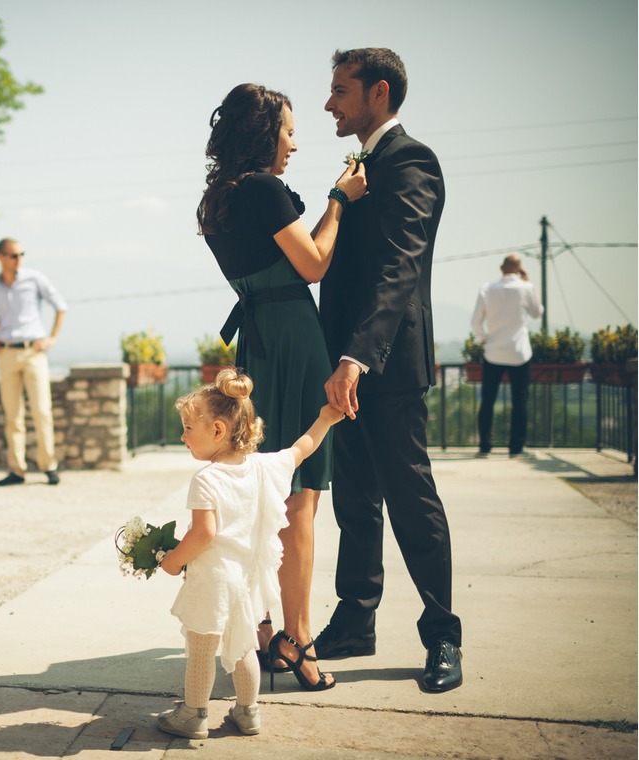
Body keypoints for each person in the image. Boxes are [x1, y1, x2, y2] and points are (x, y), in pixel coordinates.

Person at [199, 83, 366, 690]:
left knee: (263, 499)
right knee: (301, 500)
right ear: (265, 132)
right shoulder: (265, 190)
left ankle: (265, 632)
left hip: (258, 346)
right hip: (295, 341)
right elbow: (314, 263)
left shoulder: (218, 199)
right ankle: (299, 639)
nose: (294, 143)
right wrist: (339, 199)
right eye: (289, 131)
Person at [316, 47, 463, 693]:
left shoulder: (410, 161)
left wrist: (357, 356)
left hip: (387, 365)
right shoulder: (358, 167)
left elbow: (400, 267)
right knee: (354, 500)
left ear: (378, 92)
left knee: (410, 498)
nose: (329, 103)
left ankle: (443, 634)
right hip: (342, 365)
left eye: (340, 90)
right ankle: (355, 621)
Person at [155, 369, 344, 740]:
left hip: (213, 581)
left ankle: (193, 715)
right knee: (243, 645)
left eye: (188, 429)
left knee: (201, 647)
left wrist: (173, 561)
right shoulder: (265, 467)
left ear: (218, 430)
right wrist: (326, 418)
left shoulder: (206, 480)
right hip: (247, 581)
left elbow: (203, 533)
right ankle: (247, 712)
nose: (183, 436)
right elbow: (302, 448)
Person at [0, 238, 67, 486]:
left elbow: (60, 306)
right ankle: (17, 469)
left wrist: (52, 338)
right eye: (14, 255)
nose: (19, 260)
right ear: (1, 257)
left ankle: (49, 466)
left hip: (33, 351)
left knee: (42, 411)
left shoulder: (34, 279)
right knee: (12, 415)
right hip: (7, 353)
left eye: (21, 254)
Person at [470, 254, 544, 458]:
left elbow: (476, 323)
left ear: (501, 268)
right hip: (519, 352)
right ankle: (516, 447)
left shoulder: (487, 289)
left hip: (493, 352)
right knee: (520, 401)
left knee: (487, 400)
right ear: (520, 269)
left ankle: (485, 445)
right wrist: (526, 282)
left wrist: (485, 339)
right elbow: (537, 313)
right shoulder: (526, 288)